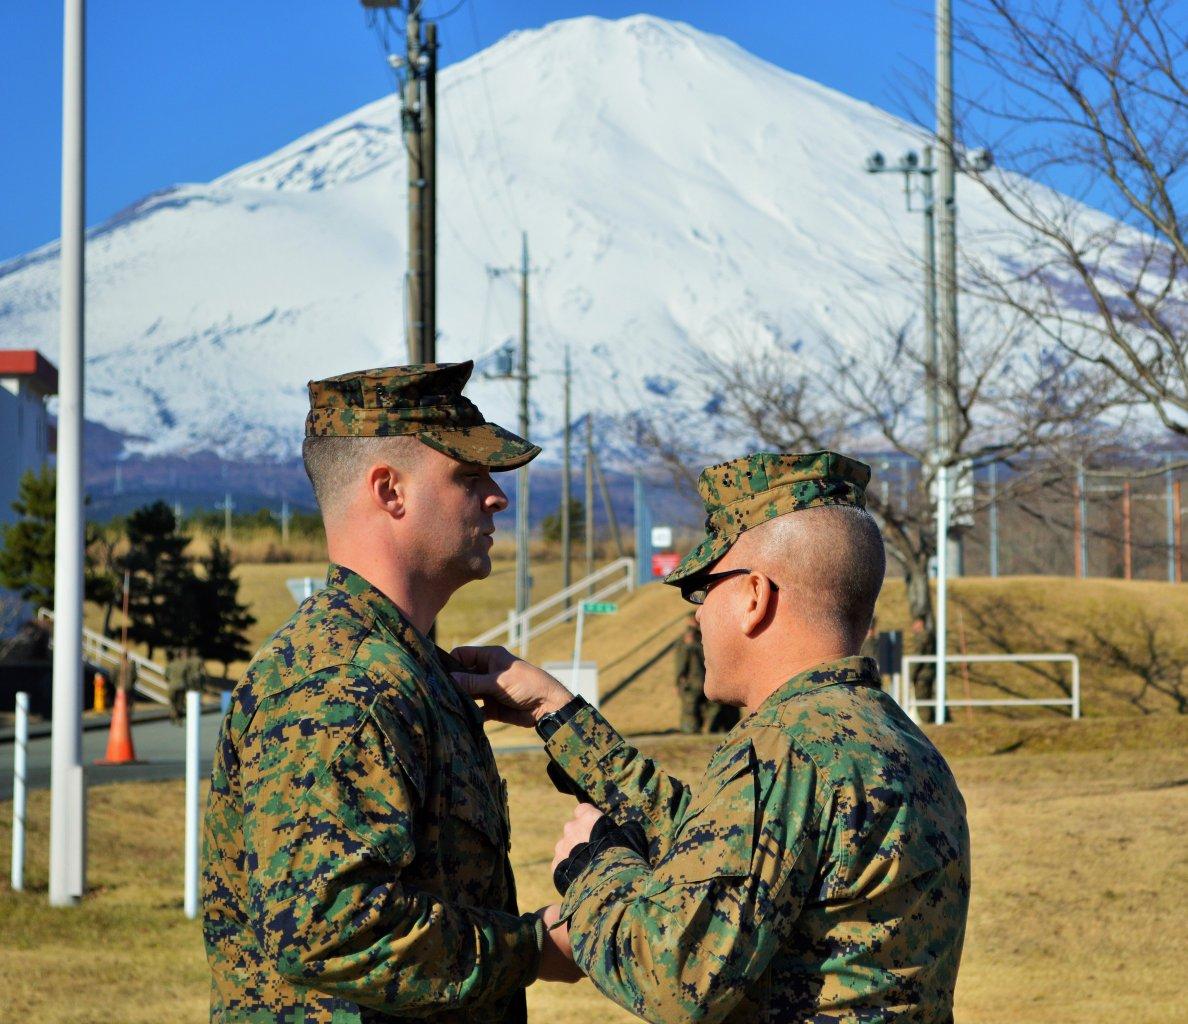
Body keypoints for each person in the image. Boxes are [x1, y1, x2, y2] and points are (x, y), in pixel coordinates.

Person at [455, 450, 971, 1024]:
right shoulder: (891, 739)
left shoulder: (785, 749)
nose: (698, 615)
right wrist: (559, 715)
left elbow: (674, 978)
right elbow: (725, 847)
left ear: (754, 596)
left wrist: (594, 865)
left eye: (702, 591)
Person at [201, 361, 579, 1024]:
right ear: (390, 491)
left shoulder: (405, 666)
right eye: (469, 476)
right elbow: (328, 930)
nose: (497, 497)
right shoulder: (343, 683)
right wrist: (532, 949)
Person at [674, 615, 738, 735]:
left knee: (703, 708)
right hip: (695, 680)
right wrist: (679, 680)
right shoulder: (690, 638)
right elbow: (682, 661)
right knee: (693, 708)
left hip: (701, 679)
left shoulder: (698, 637)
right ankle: (694, 732)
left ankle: (705, 730)